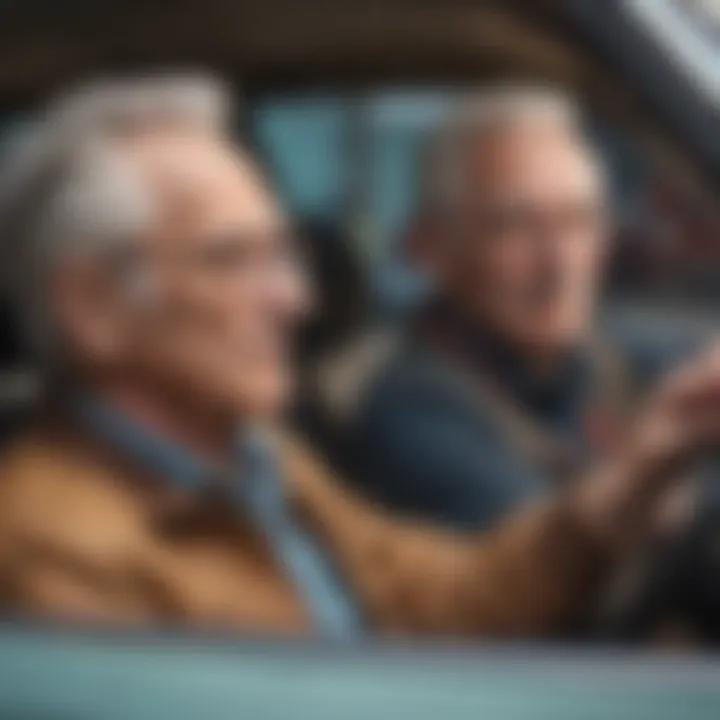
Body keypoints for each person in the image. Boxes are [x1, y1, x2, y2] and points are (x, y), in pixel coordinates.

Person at [0, 75, 718, 639]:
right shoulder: (52, 552)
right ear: (91, 309)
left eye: (282, 253)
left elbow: (448, 603)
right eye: (231, 259)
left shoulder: (257, 458)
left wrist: (641, 472)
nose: (294, 301)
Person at [347, 87, 695, 534]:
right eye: (516, 226)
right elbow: (553, 561)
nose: (559, 264)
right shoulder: (411, 415)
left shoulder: (601, 356)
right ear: (432, 247)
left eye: (579, 221)